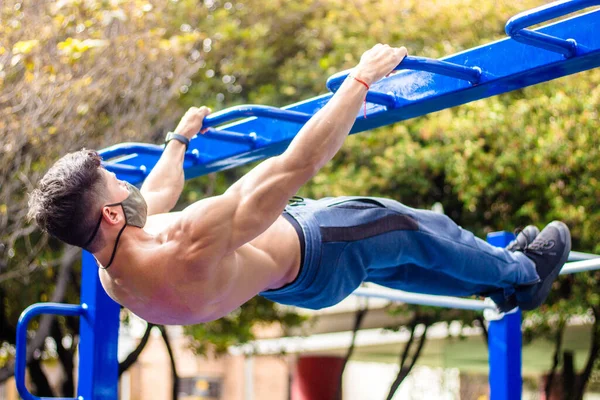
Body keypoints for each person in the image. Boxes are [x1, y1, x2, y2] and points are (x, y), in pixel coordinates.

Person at [28, 44, 571, 325]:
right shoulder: (187, 240)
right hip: (321, 241)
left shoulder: (113, 276)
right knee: (416, 228)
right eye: (115, 182)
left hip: (301, 287)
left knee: (401, 261)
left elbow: (156, 196)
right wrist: (361, 79)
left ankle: (496, 285)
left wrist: (177, 141)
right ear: (111, 215)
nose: (127, 182)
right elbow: (295, 165)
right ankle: (524, 273)